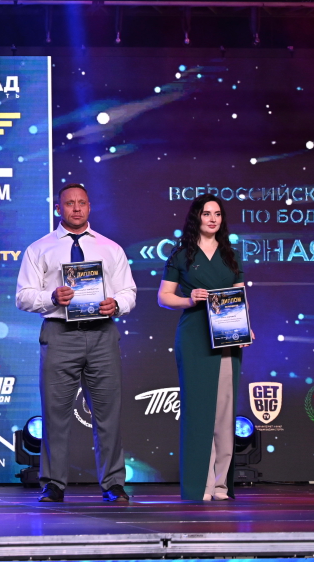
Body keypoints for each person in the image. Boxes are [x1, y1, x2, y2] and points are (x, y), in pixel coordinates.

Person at [16, 183, 137, 504]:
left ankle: (113, 484)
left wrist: (117, 304)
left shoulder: (110, 248)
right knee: (54, 414)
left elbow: (129, 292)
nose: (76, 208)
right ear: (59, 208)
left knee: (108, 414)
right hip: (59, 333)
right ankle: (53, 484)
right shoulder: (39, 249)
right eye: (69, 203)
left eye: (82, 202)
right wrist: (51, 297)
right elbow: (23, 296)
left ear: (89, 206)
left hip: (102, 333)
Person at [157, 195, 248, 501]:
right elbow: (164, 297)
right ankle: (201, 485)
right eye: (207, 213)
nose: (212, 219)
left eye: (217, 214)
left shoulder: (231, 255)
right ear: (196, 217)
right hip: (195, 336)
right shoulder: (182, 255)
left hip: (228, 337)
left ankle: (220, 485)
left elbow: (240, 296)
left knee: (224, 410)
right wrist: (189, 299)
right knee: (198, 411)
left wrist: (246, 326)